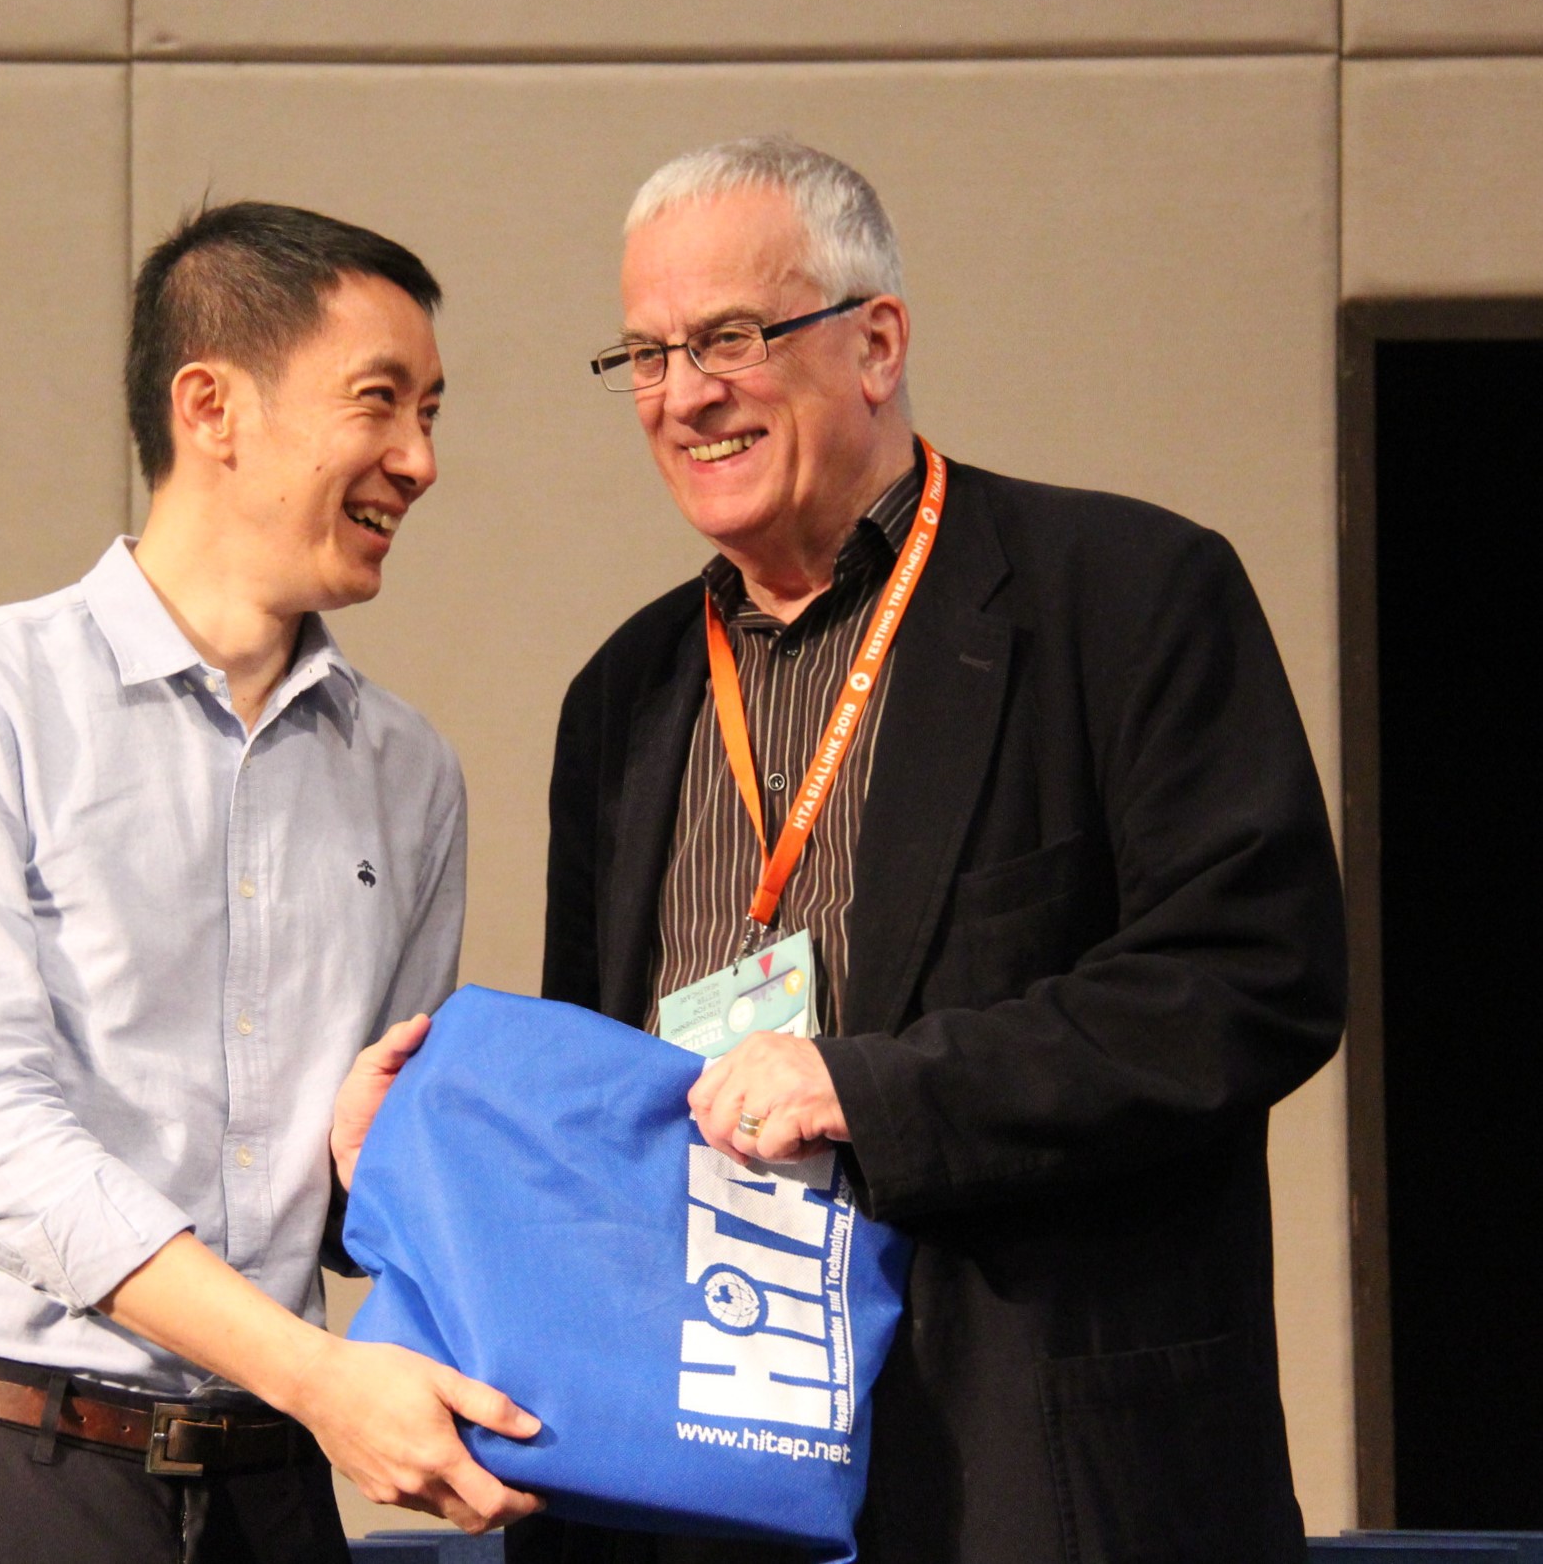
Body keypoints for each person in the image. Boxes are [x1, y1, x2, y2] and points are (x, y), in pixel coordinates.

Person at [524, 139, 1346, 1563]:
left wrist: (872, 1091)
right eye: (646, 355)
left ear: (877, 342)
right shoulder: (623, 698)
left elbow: (1248, 981)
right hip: (714, 1485)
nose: (684, 394)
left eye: (731, 337)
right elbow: (601, 1082)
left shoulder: (1126, 597)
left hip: (1036, 1488)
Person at [0, 202, 540, 1564]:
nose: (420, 460)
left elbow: (347, 1217)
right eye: (379, 400)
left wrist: (372, 1167)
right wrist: (320, 1377)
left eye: (432, 413)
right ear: (211, 408)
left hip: (269, 1483)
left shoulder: (411, 773)